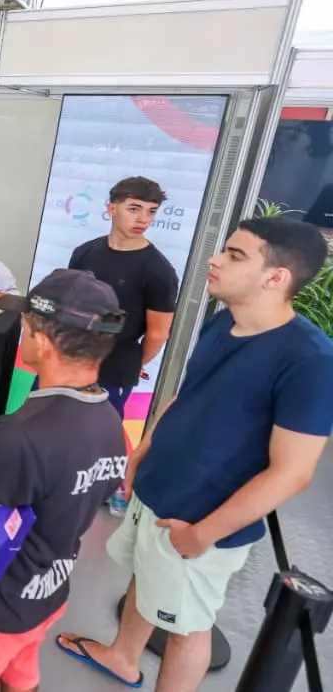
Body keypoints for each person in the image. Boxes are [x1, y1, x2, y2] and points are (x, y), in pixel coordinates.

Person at [57, 217, 333, 692]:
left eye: (235, 255)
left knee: (186, 628)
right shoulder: (224, 320)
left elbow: (293, 473)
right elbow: (187, 395)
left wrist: (204, 533)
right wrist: (143, 450)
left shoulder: (309, 361)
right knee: (146, 576)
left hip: (203, 519)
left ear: (276, 277)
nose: (215, 259)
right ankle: (124, 657)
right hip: (159, 492)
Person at [0, 270, 127, 692]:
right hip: (46, 594)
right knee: (21, 674)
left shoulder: (21, 435)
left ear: (40, 341)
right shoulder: (111, 424)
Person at [67, 176, 178, 416]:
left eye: (151, 211)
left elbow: (158, 332)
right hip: (67, 358)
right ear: (112, 208)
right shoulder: (85, 252)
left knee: (92, 443)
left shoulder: (159, 271)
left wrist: (132, 363)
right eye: (134, 209)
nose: (143, 219)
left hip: (113, 370)